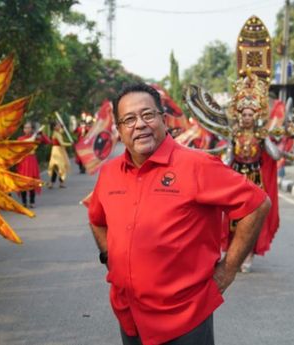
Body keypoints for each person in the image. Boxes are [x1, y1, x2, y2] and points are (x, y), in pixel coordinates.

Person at [88, 83, 271, 345]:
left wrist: (228, 270)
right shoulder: (109, 173)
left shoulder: (197, 165)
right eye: (129, 119)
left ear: (163, 120)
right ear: (119, 130)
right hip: (129, 316)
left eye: (147, 115)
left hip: (185, 319)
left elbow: (257, 204)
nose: (139, 124)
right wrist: (110, 257)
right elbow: (97, 220)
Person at [221, 74, 281, 273]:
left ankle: (249, 254)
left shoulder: (260, 135)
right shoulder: (234, 135)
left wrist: (268, 139)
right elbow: (228, 159)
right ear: (239, 115)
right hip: (236, 179)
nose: (247, 117)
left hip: (255, 180)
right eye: (244, 114)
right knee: (234, 218)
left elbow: (275, 154)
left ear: (256, 116)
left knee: (253, 218)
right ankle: (235, 252)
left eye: (250, 114)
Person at [16, 122, 51, 208]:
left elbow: (48, 141)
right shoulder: (20, 138)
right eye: (25, 128)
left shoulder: (36, 138)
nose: (27, 129)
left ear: (31, 129)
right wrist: (35, 135)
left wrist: (41, 134)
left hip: (32, 161)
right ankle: (24, 202)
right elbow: (27, 142)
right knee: (23, 182)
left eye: (28, 128)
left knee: (33, 181)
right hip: (23, 162)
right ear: (23, 129)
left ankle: (32, 201)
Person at [47, 122, 72, 188]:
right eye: (58, 125)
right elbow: (61, 143)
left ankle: (55, 183)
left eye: (59, 125)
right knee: (60, 167)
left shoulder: (57, 132)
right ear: (54, 127)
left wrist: (63, 127)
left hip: (59, 150)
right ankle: (56, 183)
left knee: (58, 167)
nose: (59, 126)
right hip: (57, 151)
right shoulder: (56, 134)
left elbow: (62, 131)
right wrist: (70, 144)